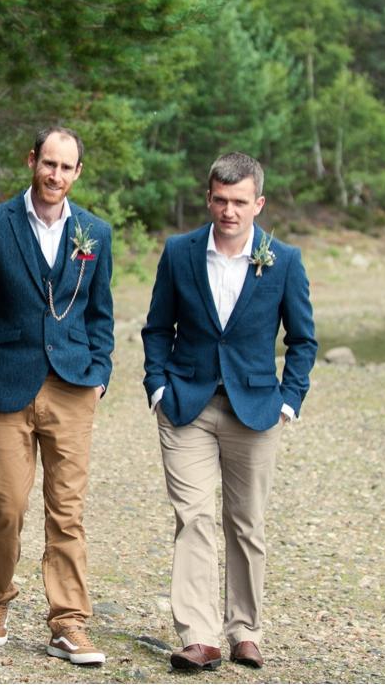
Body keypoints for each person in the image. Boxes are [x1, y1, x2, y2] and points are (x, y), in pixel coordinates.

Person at [140, 152, 317, 671]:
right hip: (185, 406)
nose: (229, 211)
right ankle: (199, 634)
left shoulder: (283, 260)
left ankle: (245, 630)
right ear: (208, 197)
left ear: (258, 203)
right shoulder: (179, 252)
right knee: (192, 516)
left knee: (246, 522)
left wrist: (289, 400)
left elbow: (303, 340)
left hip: (257, 409)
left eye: (240, 202)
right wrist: (157, 387)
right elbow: (156, 328)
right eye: (220, 199)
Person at [0, 126, 114, 667]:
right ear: (32, 161)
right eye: (49, 164)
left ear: (78, 173)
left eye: (67, 168)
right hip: (5, 386)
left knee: (67, 510)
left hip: (73, 388)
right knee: (6, 503)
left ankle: (68, 623)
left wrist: (100, 373)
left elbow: (101, 313)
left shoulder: (94, 232)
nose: (56, 176)